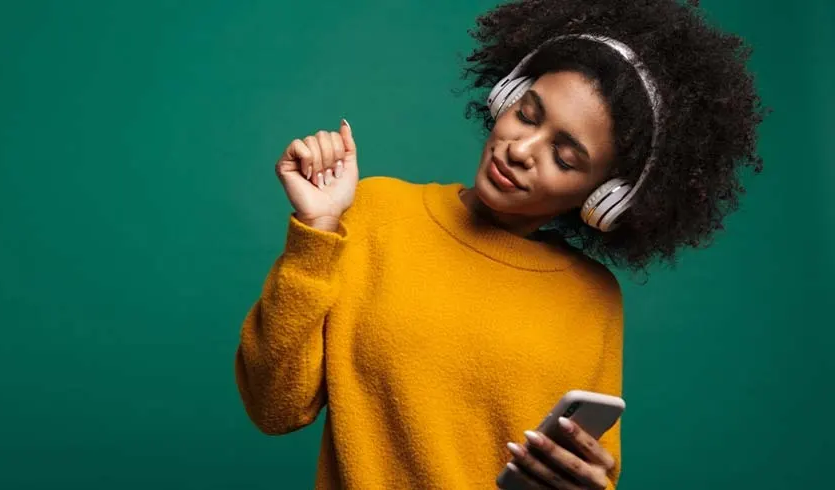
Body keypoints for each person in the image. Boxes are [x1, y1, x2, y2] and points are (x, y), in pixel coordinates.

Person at [234, 0, 765, 488]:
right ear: (505, 95)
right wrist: (319, 230)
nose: (521, 150)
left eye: (565, 156)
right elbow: (274, 408)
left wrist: (589, 481)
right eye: (527, 114)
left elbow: (577, 467)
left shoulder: (593, 299)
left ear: (605, 196)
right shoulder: (373, 214)